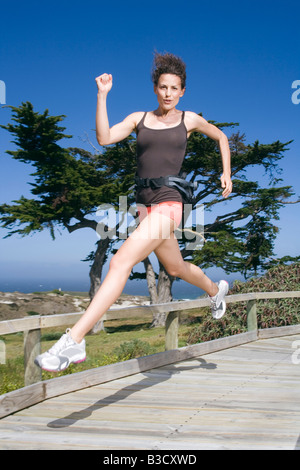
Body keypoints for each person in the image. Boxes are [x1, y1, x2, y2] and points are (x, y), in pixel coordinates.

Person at [35, 52, 232, 372]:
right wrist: (102, 95)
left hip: (171, 201)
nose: (168, 93)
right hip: (145, 206)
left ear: (182, 91)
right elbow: (104, 137)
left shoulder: (189, 119)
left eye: (175, 88)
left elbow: (221, 136)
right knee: (177, 267)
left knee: (120, 260)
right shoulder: (139, 119)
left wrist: (227, 172)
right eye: (163, 86)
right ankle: (215, 291)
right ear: (155, 87)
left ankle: (74, 340)